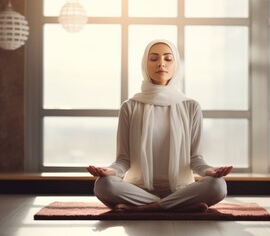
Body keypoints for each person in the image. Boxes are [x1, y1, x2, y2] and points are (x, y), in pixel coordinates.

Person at [87, 39, 233, 213]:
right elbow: (123, 160)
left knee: (218, 186)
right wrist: (110, 171)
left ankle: (147, 208)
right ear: (145, 65)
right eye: (154, 58)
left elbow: (195, 159)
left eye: (168, 59)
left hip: (181, 189)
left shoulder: (190, 106)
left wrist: (209, 171)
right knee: (103, 185)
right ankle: (179, 206)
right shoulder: (130, 106)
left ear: (175, 65)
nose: (161, 63)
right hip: (139, 190)